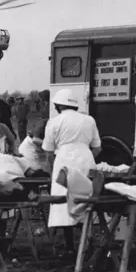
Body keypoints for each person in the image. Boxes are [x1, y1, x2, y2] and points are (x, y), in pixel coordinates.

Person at [43, 89, 102, 254]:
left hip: (63, 160)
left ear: (59, 105)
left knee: (64, 202)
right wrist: (85, 155)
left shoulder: (54, 122)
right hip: (86, 160)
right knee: (86, 199)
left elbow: (48, 152)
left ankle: (70, 246)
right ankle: (87, 242)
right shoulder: (89, 120)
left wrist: (54, 168)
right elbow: (98, 148)